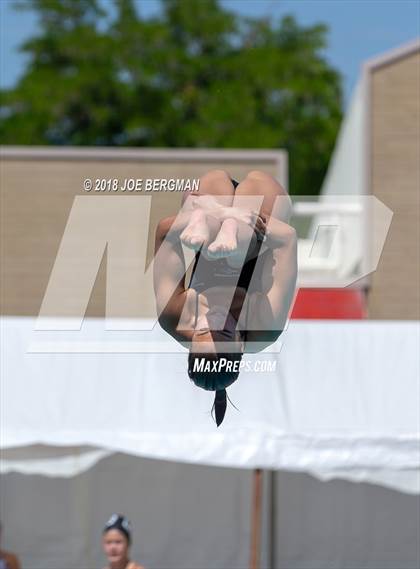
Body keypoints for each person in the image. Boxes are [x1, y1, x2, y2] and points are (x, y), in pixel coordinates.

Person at [153, 170, 298, 425]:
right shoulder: (263, 327)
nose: (216, 320)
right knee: (241, 242)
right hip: (260, 229)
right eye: (225, 332)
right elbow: (287, 239)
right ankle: (229, 227)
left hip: (208, 225)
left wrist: (218, 214)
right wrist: (240, 217)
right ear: (240, 344)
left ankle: (212, 221)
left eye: (202, 331)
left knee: (212, 192)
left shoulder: (175, 317)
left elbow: (164, 231)